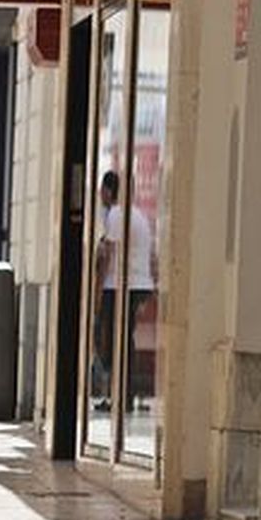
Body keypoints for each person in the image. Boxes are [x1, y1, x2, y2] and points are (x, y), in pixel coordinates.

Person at [93, 171, 156, 411]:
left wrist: (98, 292)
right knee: (122, 340)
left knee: (109, 339)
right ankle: (123, 394)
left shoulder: (117, 215)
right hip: (136, 285)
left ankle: (121, 394)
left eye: (102, 190)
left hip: (121, 286)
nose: (101, 195)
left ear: (109, 191)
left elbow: (108, 255)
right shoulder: (137, 215)